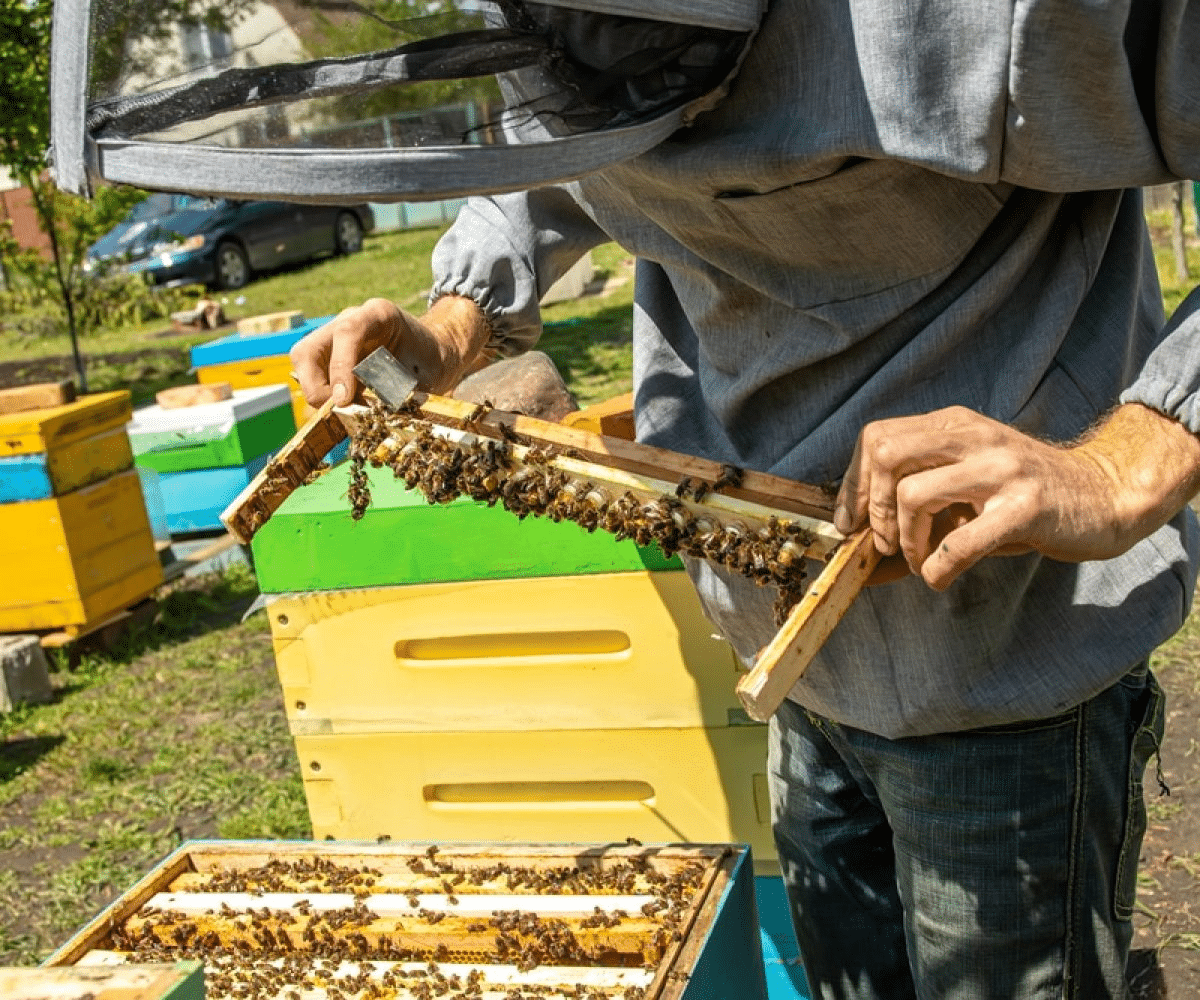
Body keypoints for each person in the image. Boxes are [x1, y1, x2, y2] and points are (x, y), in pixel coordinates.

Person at [292, 2, 1200, 996]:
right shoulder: (555, 33)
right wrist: (454, 327)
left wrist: (1130, 461)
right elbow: (545, 165)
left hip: (1009, 668)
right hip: (791, 659)